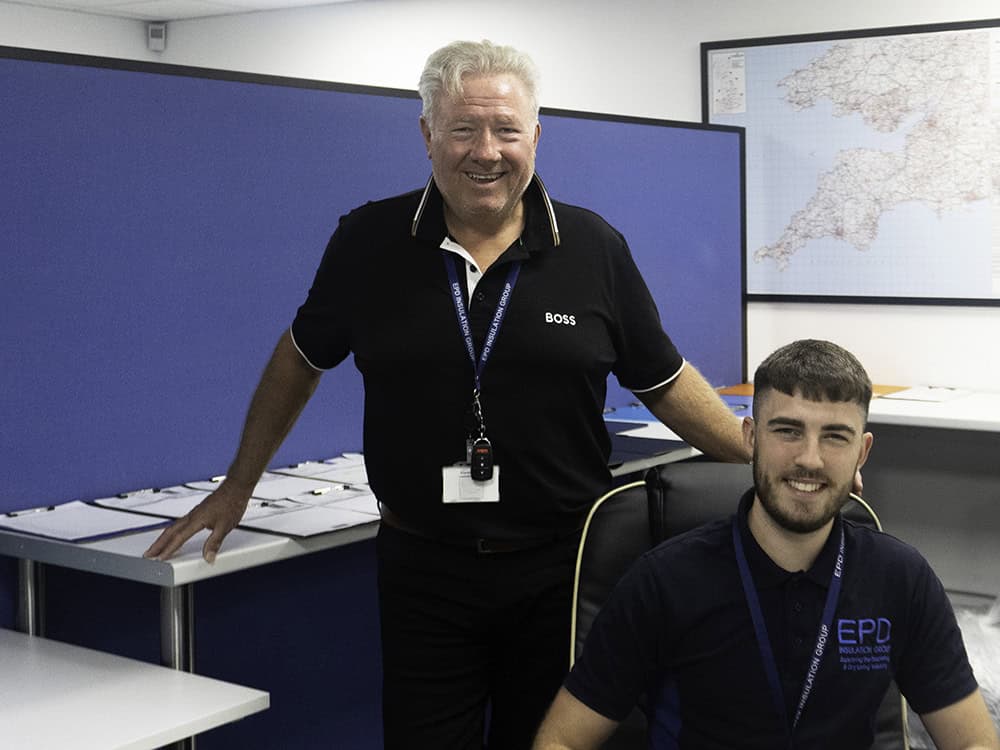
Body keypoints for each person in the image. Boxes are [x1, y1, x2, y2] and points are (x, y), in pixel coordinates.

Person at [144, 39, 748, 749]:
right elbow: (300, 357)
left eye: (505, 130)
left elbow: (663, 379)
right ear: (428, 135)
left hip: (562, 565)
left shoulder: (593, 248)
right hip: (423, 566)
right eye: (462, 129)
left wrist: (753, 453)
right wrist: (238, 485)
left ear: (536, 138)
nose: (485, 151)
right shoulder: (370, 241)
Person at [533, 339, 1000, 750]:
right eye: (788, 431)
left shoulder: (902, 579)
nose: (809, 459)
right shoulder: (664, 580)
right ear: (751, 438)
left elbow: (974, 740)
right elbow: (562, 739)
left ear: (862, 453)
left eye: (835, 437)